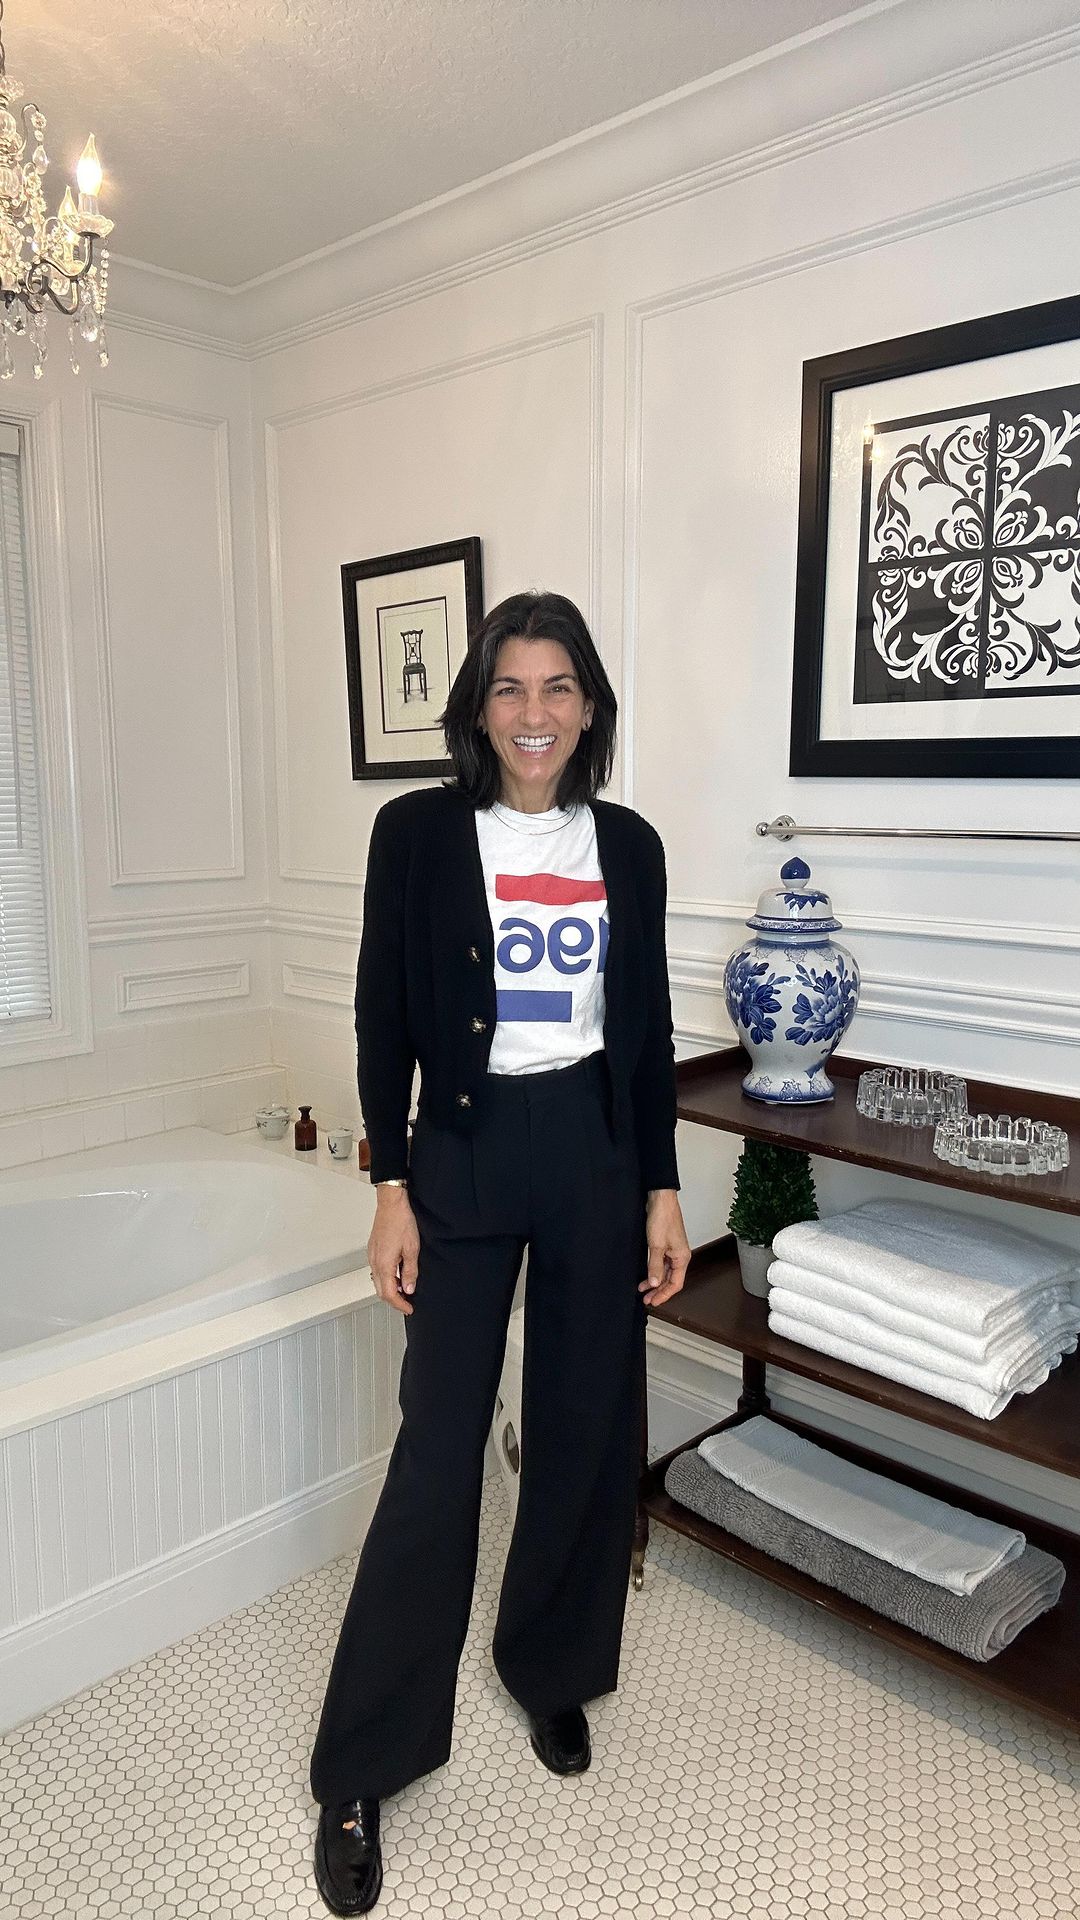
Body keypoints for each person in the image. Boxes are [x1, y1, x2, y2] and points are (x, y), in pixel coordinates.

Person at [310, 590, 691, 1916]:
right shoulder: (417, 834)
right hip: (464, 1153)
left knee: (584, 1424)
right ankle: (365, 1762)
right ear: (479, 707)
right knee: (437, 1452)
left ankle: (554, 1669)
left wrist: (661, 1188)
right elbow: (381, 1016)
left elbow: (644, 1032)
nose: (534, 713)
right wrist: (391, 1187)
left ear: (589, 708)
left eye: (558, 687)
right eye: (511, 687)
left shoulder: (628, 847)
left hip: (592, 1151)